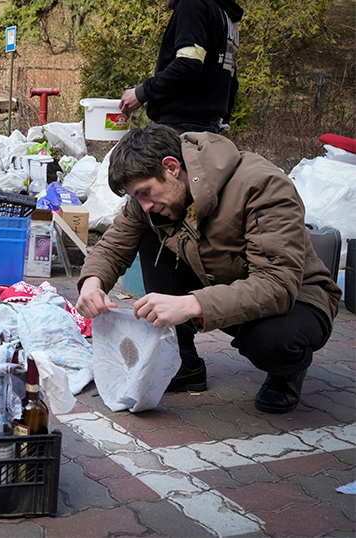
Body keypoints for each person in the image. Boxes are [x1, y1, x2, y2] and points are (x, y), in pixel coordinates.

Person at [76, 125, 341, 414]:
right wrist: (92, 283)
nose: (145, 205)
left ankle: (286, 372)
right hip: (223, 284)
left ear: (171, 167)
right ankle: (184, 363)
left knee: (270, 341)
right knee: (150, 232)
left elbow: (276, 284)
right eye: (136, 197)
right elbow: (113, 246)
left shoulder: (262, 185)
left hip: (297, 298)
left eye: (145, 193)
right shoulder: (153, 199)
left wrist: (191, 304)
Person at [119, 0, 243, 134]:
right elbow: (230, 77)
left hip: (180, 128)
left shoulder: (192, 4)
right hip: (209, 127)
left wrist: (142, 93)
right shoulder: (225, 15)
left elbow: (188, 65)